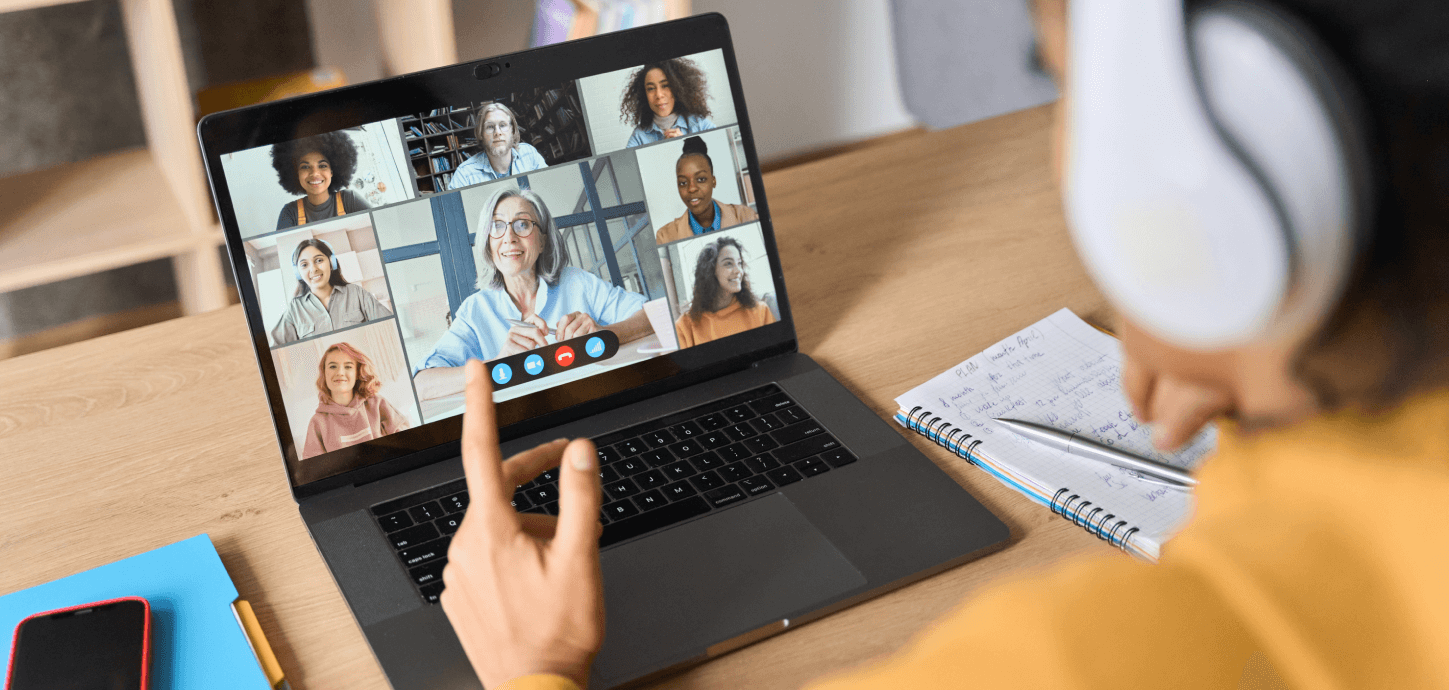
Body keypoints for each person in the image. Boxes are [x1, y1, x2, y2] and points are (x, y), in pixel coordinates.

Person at [434, 1, 1449, 688]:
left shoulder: (1076, 660)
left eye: (1066, 84)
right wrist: (1255, 376)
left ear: (1190, 187)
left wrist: (536, 664)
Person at [412, 188, 654, 400]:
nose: (509, 237)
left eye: (523, 224)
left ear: (542, 241)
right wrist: (498, 365)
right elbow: (422, 385)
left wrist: (602, 336)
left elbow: (652, 315)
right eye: (496, 226)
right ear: (488, 243)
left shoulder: (576, 282)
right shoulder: (475, 309)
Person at [269, 238, 393, 346]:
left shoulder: (356, 293)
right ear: (299, 273)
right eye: (304, 265)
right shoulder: (294, 309)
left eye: (319, 260)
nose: (313, 269)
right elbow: (276, 351)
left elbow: (389, 327)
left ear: (331, 263)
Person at [301, 342, 411, 458]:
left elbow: (405, 440)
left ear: (357, 373)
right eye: (333, 366)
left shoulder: (377, 403)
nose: (340, 373)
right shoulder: (317, 422)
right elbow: (314, 470)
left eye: (348, 366)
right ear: (324, 373)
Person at [653, 136, 758, 244]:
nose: (692, 188)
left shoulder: (745, 216)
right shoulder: (665, 237)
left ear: (713, 181)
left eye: (701, 179)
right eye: (683, 183)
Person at [674, 236, 774, 347]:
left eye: (739, 263)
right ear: (710, 271)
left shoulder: (760, 311)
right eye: (728, 263)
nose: (738, 271)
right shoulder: (685, 327)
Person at [272, 131, 370, 229]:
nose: (314, 173)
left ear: (332, 172)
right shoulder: (290, 212)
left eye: (322, 166)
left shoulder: (349, 199)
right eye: (305, 167)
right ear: (296, 174)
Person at [448, 103, 549, 189]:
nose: (497, 132)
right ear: (480, 134)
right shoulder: (465, 174)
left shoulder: (529, 154)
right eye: (490, 127)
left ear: (512, 130)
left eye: (503, 125)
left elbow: (550, 189)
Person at [621, 58, 714, 148]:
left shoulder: (700, 124)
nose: (659, 95)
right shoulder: (638, 136)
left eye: (665, 85)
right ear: (644, 94)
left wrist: (687, 146)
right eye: (651, 88)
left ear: (677, 88)